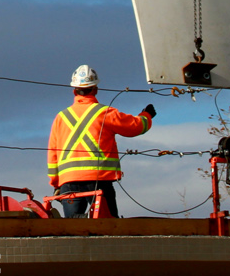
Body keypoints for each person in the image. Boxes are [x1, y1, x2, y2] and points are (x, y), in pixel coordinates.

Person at [47, 65, 155, 218]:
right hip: (99, 180)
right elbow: (134, 127)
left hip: (68, 181)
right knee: (108, 226)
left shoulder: (61, 118)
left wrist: (56, 183)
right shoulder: (105, 113)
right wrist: (147, 115)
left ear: (74, 90)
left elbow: (52, 155)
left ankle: (80, 221)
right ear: (95, 89)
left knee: (72, 228)